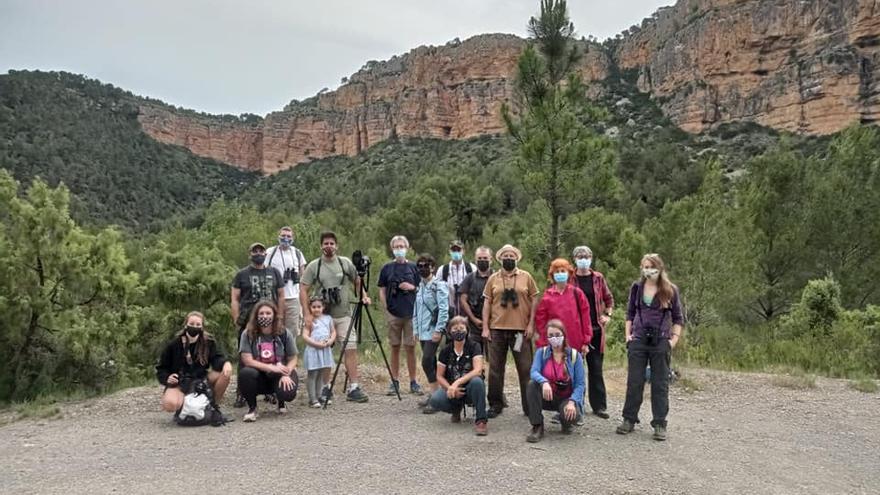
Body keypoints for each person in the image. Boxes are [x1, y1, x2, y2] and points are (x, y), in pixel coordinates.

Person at [617, 253, 684, 441]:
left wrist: (673, 340)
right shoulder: (637, 288)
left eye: (651, 266)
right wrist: (628, 336)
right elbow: (629, 312)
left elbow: (678, 318)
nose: (648, 270)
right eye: (645, 267)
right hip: (638, 339)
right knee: (635, 381)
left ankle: (660, 423)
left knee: (660, 383)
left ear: (660, 268)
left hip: (661, 340)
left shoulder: (670, 290)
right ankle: (629, 419)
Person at [299, 231, 371, 403]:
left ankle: (354, 387)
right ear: (321, 246)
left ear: (336, 246)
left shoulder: (344, 263)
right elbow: (303, 288)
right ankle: (324, 387)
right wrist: (307, 313)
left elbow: (357, 281)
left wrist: (363, 295)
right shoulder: (314, 266)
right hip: (323, 317)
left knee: (350, 348)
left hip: (344, 315)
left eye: (331, 243)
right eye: (325, 243)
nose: (328, 246)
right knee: (323, 350)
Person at [482, 244, 539, 418]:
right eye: (505, 255)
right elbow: (487, 303)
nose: (508, 258)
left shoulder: (526, 277)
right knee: (495, 369)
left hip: (519, 332)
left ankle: (529, 406)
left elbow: (535, 300)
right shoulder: (493, 278)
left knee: (525, 368)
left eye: (511, 255)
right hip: (497, 330)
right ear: (500, 258)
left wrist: (531, 325)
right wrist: (485, 327)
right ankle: (495, 404)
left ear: (517, 258)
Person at [231, 242, 286, 407]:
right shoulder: (241, 274)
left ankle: (270, 390)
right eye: (255, 251)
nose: (258, 253)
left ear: (265, 253)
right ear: (250, 254)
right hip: (248, 321)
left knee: (271, 353)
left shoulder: (275, 272)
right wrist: (236, 319)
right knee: (246, 356)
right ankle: (242, 392)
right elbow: (234, 298)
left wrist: (281, 316)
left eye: (261, 250)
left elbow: (281, 295)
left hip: (270, 320)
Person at [157, 311, 232, 413]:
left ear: (202, 327)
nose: (194, 327)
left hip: (201, 378)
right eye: (191, 324)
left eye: (198, 324)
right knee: (170, 405)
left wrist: (226, 363)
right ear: (185, 325)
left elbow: (216, 358)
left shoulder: (208, 342)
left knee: (225, 373)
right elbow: (162, 368)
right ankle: (186, 408)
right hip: (180, 382)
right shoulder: (173, 345)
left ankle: (213, 404)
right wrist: (167, 378)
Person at [238, 301, 299, 422]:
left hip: (280, 372)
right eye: (261, 313)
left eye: (268, 313)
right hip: (259, 374)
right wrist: (271, 367)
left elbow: (293, 358)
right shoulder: (248, 334)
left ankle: (281, 402)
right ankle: (252, 408)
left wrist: (286, 373)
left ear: (274, 315)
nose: (264, 316)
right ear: (256, 316)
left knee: (288, 392)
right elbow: (247, 360)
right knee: (245, 373)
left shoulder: (284, 333)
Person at [525, 319, 585, 442]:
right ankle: (537, 426)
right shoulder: (542, 353)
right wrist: (544, 382)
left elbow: (580, 384)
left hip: (566, 399)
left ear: (564, 335)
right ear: (547, 337)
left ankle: (566, 422)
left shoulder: (575, 356)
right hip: (548, 396)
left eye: (557, 335)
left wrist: (572, 402)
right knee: (532, 385)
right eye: (551, 336)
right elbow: (534, 372)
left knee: (569, 416)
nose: (554, 338)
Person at [572, 245, 615, 418]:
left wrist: (607, 314)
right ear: (574, 258)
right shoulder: (569, 278)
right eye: (580, 255)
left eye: (587, 255)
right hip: (576, 331)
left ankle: (599, 406)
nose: (583, 258)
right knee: (575, 368)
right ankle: (574, 404)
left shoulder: (598, 278)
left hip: (596, 330)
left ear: (591, 257)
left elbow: (609, 298)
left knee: (596, 368)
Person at [377, 235, 422, 396]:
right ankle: (394, 381)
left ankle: (413, 381)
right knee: (395, 347)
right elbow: (381, 288)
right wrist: (386, 308)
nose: (399, 249)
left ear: (407, 248)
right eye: (396, 247)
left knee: (410, 348)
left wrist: (411, 287)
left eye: (402, 246)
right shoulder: (386, 268)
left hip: (411, 314)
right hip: (393, 314)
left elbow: (421, 288)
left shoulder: (414, 267)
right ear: (392, 249)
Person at [428, 316, 488, 436]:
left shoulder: (474, 346)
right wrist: (450, 388)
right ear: (449, 332)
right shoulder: (445, 351)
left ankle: (481, 420)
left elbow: (478, 370)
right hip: (452, 388)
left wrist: (457, 383)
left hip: (470, 387)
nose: (458, 331)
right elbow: (439, 376)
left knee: (477, 382)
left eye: (461, 328)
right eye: (455, 329)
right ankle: (456, 409)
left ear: (467, 330)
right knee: (435, 399)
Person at [534, 258, 593, 357]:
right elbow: (541, 322)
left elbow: (586, 318)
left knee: (574, 370)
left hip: (575, 342)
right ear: (552, 275)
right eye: (557, 271)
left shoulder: (577, 293)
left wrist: (586, 341)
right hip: (554, 344)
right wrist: (543, 342)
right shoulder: (547, 296)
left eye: (563, 271)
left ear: (569, 273)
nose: (560, 273)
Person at [413, 253, 449, 413]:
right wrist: (415, 330)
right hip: (422, 331)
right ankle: (436, 394)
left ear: (433, 267)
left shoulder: (439, 285)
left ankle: (436, 397)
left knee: (426, 361)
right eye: (419, 266)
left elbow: (443, 309)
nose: (422, 268)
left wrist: (439, 329)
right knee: (431, 362)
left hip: (433, 331)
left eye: (426, 265)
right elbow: (416, 310)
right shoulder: (420, 286)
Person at [265, 226, 307, 336]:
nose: (286, 238)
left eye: (289, 236)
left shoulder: (297, 253)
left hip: (293, 297)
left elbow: (304, 276)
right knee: (274, 327)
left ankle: (290, 352)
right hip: (274, 297)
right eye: (283, 236)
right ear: (278, 237)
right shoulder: (270, 252)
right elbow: (263, 271)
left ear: (293, 238)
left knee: (291, 331)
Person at [302, 297, 336, 408]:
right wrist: (316, 344)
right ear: (310, 308)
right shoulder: (309, 320)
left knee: (321, 373)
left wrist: (330, 341)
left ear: (323, 307)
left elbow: (333, 332)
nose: (316, 309)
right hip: (314, 350)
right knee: (313, 374)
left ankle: (319, 395)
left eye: (319, 307)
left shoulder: (328, 318)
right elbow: (305, 336)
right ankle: (312, 399)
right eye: (314, 307)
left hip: (325, 349)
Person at [458, 246, 494, 352]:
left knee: (494, 360)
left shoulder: (497, 277)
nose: (482, 261)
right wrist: (474, 319)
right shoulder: (469, 278)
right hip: (474, 326)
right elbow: (463, 299)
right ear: (475, 260)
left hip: (493, 324)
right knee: (475, 356)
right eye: (480, 259)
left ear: (491, 260)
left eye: (485, 259)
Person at [436, 240, 476, 318]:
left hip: (467, 310)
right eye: (454, 250)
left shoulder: (471, 268)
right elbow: (437, 290)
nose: (456, 252)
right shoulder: (443, 270)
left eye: (458, 250)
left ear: (463, 251)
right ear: (450, 251)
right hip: (448, 311)